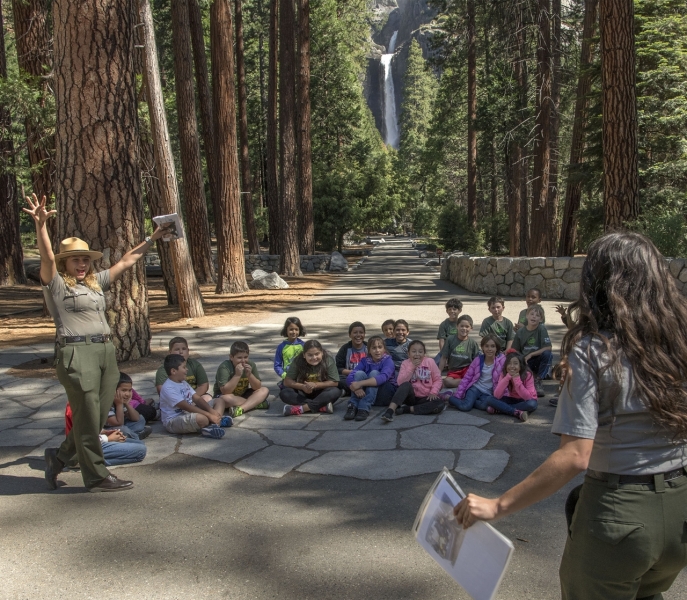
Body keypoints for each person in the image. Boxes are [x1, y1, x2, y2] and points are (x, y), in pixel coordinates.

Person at [454, 232, 687, 600]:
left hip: (619, 516)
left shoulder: (593, 349)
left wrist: (499, 506)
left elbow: (576, 454)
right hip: (679, 511)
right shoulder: (679, 341)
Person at [25, 193, 171, 493]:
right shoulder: (56, 285)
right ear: (65, 262)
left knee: (98, 412)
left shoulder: (94, 283)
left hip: (105, 351)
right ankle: (96, 476)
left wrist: (153, 236)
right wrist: (41, 226)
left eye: (84, 259)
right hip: (76, 353)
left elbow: (128, 259)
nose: (80, 264)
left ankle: (60, 457)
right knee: (88, 416)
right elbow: (48, 258)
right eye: (74, 260)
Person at [159, 354, 230, 438]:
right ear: (174, 371)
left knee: (219, 401)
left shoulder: (182, 382)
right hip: (174, 420)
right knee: (202, 419)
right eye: (184, 367)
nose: (187, 369)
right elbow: (187, 407)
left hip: (189, 413)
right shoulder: (168, 388)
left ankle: (215, 422)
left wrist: (211, 411)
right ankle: (212, 424)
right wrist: (209, 415)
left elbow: (197, 398)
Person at [381, 340, 444, 422]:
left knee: (440, 404)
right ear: (408, 354)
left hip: (425, 397)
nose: (417, 354)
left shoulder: (430, 362)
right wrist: (412, 367)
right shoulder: (405, 363)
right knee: (406, 384)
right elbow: (400, 382)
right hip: (410, 397)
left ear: (424, 353)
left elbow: (438, 379)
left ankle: (408, 409)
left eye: (420, 352)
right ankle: (390, 411)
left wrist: (433, 392)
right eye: (414, 351)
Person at [65, 404, 146, 467]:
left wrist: (105, 432)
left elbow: (92, 429)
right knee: (140, 451)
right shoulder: (76, 407)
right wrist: (108, 438)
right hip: (87, 447)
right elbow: (85, 437)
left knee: (140, 443)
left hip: (98, 439)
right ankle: (84, 463)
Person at [280, 340, 341, 416]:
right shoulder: (298, 360)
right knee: (285, 393)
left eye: (317, 354)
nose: (314, 358)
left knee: (335, 391)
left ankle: (301, 408)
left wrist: (315, 385)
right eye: (310, 355)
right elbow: (287, 381)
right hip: (303, 392)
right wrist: (302, 387)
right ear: (304, 355)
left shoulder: (328, 360)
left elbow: (334, 382)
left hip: (321, 392)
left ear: (322, 352)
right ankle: (321, 406)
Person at [344, 335, 396, 421]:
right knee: (359, 374)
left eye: (380, 347)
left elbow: (383, 377)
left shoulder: (388, 360)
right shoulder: (365, 360)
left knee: (374, 373)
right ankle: (353, 406)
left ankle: (364, 408)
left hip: (385, 393)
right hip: (369, 393)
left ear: (384, 349)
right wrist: (356, 389)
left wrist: (360, 384)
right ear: (369, 350)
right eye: (374, 348)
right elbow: (351, 376)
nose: (377, 350)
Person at [213, 341, 270, 416]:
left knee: (264, 390)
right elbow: (225, 391)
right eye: (239, 358)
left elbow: (257, 387)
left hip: (242, 395)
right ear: (231, 357)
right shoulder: (225, 367)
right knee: (225, 399)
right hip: (226, 396)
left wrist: (249, 375)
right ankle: (255, 404)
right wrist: (237, 375)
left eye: (246, 357)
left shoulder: (251, 364)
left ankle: (241, 409)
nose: (243, 361)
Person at [449, 334, 504, 412]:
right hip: (475, 388)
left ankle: (470, 401)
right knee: (466, 407)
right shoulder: (477, 360)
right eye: (487, 346)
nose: (489, 349)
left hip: (488, 393)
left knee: (485, 405)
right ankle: (449, 398)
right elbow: (467, 378)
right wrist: (459, 394)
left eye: (492, 346)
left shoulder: (502, 361)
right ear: (483, 348)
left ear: (497, 348)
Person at [512, 304, 552, 396]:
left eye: (537, 315)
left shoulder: (541, 329)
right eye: (532, 314)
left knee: (548, 354)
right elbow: (515, 350)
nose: (534, 316)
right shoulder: (520, 332)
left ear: (541, 319)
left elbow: (548, 347)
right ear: (527, 316)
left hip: (537, 358)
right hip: (525, 360)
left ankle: (538, 379)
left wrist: (531, 354)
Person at [487, 350, 537, 422]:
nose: (512, 366)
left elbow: (528, 397)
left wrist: (516, 380)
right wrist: (507, 378)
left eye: (515, 363)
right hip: (511, 399)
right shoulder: (504, 374)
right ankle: (515, 412)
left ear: (521, 365)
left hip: (524, 400)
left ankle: (500, 409)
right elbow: (497, 395)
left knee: (532, 404)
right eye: (509, 364)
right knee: (489, 399)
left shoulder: (528, 374)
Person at [155, 337, 210, 402]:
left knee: (208, 399)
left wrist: (191, 399)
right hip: (175, 400)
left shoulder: (195, 365)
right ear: (170, 352)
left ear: (188, 351)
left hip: (194, 396)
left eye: (184, 349)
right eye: (177, 349)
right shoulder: (163, 370)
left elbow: (204, 385)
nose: (181, 352)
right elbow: (162, 391)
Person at [105, 373, 152, 440]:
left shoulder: (120, 400)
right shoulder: (106, 403)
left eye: (129, 390)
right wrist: (119, 404)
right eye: (124, 390)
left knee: (141, 419)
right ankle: (136, 436)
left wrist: (127, 404)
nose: (127, 394)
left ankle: (130, 435)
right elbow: (118, 423)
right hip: (108, 430)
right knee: (123, 429)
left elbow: (136, 418)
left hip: (120, 425)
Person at [438, 316, 480, 388]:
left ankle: (466, 381)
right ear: (457, 326)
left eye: (467, 326)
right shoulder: (450, 340)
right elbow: (444, 357)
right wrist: (438, 372)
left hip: (467, 370)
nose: (464, 328)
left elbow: (476, 361)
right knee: (447, 382)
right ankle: (466, 382)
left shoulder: (473, 343)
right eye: (462, 326)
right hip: (454, 371)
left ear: (471, 328)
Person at [335, 321, 368, 393]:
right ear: (350, 335)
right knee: (337, 379)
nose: (358, 335)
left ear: (364, 334)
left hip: (366, 377)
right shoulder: (345, 348)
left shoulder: (369, 347)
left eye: (361, 332)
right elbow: (338, 368)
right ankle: (357, 390)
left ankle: (348, 391)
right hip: (349, 376)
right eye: (355, 332)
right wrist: (353, 372)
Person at [274, 317, 306, 387]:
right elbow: (277, 365)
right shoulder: (281, 347)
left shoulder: (304, 346)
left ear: (300, 330)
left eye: (296, 329)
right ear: (286, 330)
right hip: (288, 377)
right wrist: (284, 375)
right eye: (291, 329)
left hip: (302, 378)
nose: (294, 332)